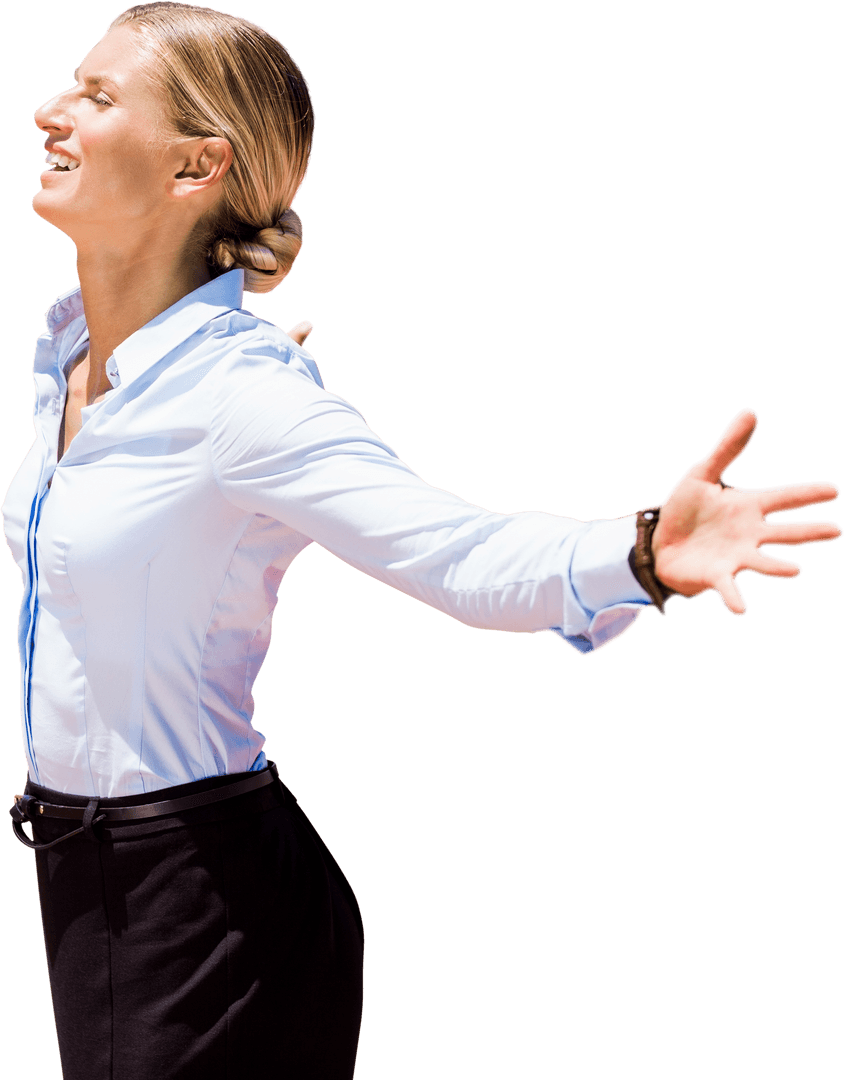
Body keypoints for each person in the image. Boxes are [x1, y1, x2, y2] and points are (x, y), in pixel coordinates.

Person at [3, 3, 840, 1078]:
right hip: (86, 884)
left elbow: (460, 558)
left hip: (204, 902)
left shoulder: (237, 399)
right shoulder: (78, 369)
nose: (49, 111)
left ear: (194, 166)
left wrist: (638, 551)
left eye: (97, 94)